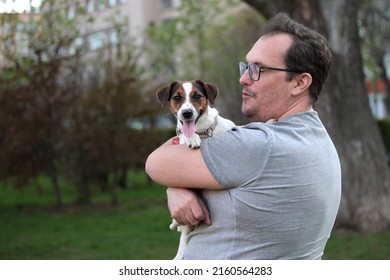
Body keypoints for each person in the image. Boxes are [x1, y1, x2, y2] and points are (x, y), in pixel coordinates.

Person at [145, 13, 341, 260]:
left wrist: (174, 183)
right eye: (246, 67)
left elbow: (155, 163)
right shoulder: (320, 140)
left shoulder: (260, 145)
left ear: (299, 83)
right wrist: (178, 184)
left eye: (258, 69)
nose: (243, 78)